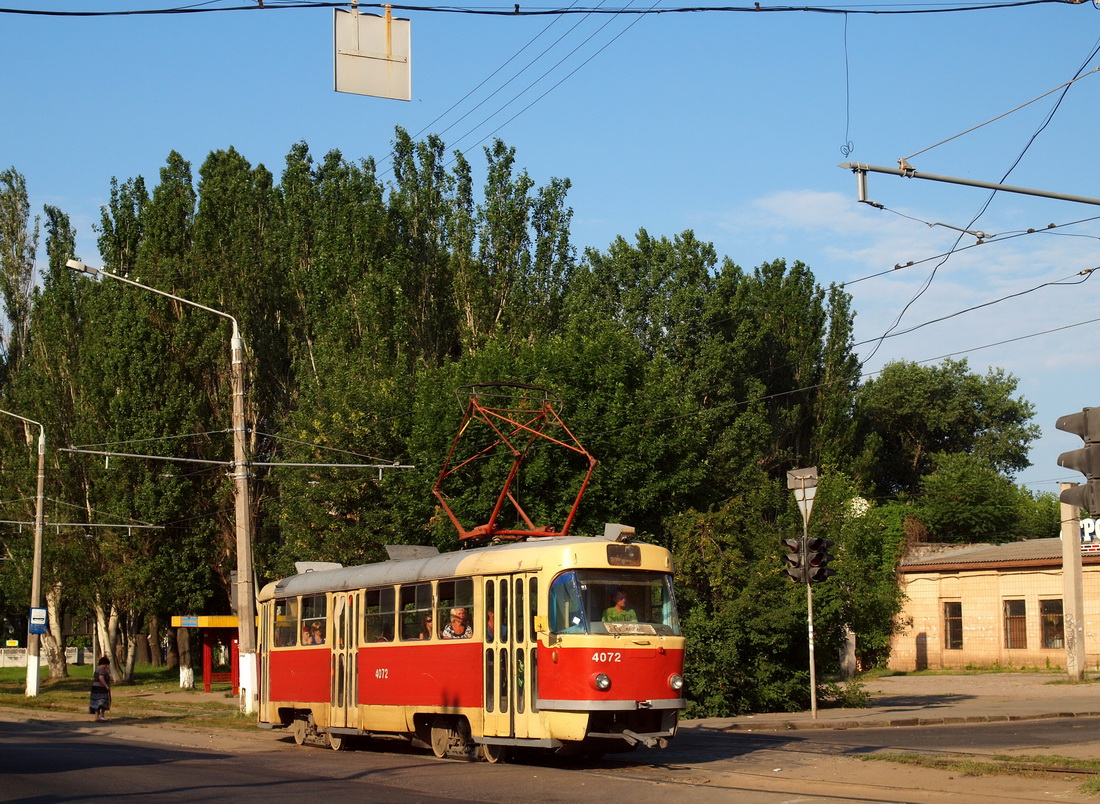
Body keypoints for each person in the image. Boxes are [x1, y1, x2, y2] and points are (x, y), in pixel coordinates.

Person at [89, 656, 111, 722]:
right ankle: (102, 716)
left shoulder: (97, 669)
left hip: (95, 687)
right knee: (102, 701)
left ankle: (97, 717)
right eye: (106, 665)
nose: (107, 666)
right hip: (101, 688)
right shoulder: (102, 670)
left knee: (96, 702)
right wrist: (106, 686)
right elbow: (101, 678)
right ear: (104, 664)